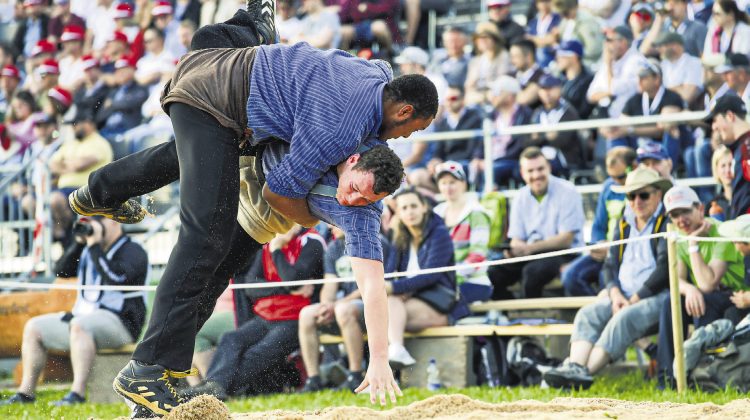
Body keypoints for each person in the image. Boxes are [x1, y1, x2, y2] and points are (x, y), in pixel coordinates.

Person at [69, 4, 437, 415]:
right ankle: (148, 369)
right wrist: (315, 219)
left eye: (364, 201)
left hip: (225, 79)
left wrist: (381, 357)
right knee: (206, 235)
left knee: (209, 269)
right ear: (352, 158)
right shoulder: (340, 132)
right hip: (221, 106)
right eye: (414, 129)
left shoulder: (379, 82)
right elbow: (280, 193)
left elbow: (372, 286)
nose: (351, 200)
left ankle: (100, 193)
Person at [543, 167, 672, 389]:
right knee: (588, 313)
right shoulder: (624, 221)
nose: (636, 201)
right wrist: (614, 293)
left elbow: (665, 269)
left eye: (643, 195)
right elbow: (609, 264)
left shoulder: (667, 221)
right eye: (631, 195)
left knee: (623, 318)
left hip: (659, 296)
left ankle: (579, 375)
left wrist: (634, 298)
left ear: (658, 194)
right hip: (622, 295)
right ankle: (575, 367)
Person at [0, 216, 148, 406]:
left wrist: (94, 246)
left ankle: (76, 394)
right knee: (34, 327)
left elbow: (116, 278)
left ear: (114, 222)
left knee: (79, 325)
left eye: (98, 220)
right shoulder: (88, 249)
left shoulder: (133, 250)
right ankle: (25, 394)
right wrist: (79, 244)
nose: (94, 226)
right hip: (84, 319)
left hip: (121, 323)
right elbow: (61, 272)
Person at [182, 226, 325, 399]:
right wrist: (286, 288)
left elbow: (293, 279)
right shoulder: (269, 244)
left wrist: (278, 250)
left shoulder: (311, 241)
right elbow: (252, 287)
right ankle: (214, 387)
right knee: (231, 339)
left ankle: (215, 389)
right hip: (266, 316)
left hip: (296, 318)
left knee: (258, 352)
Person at [654, 185, 747, 388]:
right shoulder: (677, 236)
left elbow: (708, 283)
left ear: (700, 208)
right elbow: (676, 280)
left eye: (685, 211)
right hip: (707, 296)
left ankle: (700, 373)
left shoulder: (720, 232)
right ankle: (667, 377)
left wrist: (693, 243)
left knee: (704, 301)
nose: (680, 220)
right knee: (671, 302)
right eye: (674, 215)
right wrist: (690, 289)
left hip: (736, 296)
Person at [384, 187, 468, 367]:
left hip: (438, 299)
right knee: (381, 313)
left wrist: (394, 288)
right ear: (398, 213)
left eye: (414, 206)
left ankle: (395, 354)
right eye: (404, 208)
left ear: (424, 207)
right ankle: (391, 359)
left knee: (385, 314)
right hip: (408, 299)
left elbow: (430, 276)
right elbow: (390, 272)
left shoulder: (439, 233)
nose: (410, 212)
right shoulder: (400, 236)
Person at [299, 225, 388, 392]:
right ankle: (314, 379)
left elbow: (374, 287)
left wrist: (337, 305)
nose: (329, 227)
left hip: (370, 305)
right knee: (307, 314)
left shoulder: (374, 243)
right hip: (343, 306)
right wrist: (326, 305)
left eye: (334, 222)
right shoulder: (334, 247)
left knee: (343, 310)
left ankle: (355, 375)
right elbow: (330, 284)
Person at [487, 147, 585, 299]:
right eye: (530, 171)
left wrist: (529, 248)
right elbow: (517, 237)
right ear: (522, 173)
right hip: (532, 252)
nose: (536, 175)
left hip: (565, 252)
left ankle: (534, 318)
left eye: (540, 169)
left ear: (549, 168)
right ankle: (511, 316)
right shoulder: (520, 197)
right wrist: (515, 250)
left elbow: (566, 239)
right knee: (494, 272)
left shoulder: (568, 191)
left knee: (533, 272)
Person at [561, 146, 633, 297]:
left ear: (633, 167)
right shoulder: (609, 186)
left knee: (605, 279)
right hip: (605, 250)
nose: (616, 181)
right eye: (611, 176)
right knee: (570, 276)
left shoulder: (641, 191)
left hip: (626, 253)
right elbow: (598, 226)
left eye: (620, 177)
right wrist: (598, 243)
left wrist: (612, 249)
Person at [433, 162, 493, 302]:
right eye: (443, 183)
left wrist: (447, 277)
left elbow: (477, 256)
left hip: (475, 283)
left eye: (452, 182)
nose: (448, 187)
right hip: (444, 282)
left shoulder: (477, 213)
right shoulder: (436, 214)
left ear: (463, 184)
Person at [470, 76, 533, 190]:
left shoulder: (525, 115)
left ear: (510, 96)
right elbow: (480, 142)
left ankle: (488, 203)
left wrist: (489, 162)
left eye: (496, 92)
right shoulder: (491, 115)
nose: (492, 96)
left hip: (510, 161)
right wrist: (477, 158)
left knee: (492, 170)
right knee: (466, 168)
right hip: (490, 161)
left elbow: (521, 146)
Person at [705, 94, 750, 218]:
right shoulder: (742, 147)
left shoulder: (747, 147)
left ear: (730, 116)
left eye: (715, 120)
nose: (713, 127)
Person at [528, 74, 582, 173]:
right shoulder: (537, 113)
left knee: (542, 168)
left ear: (559, 89)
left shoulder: (568, 111)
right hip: (541, 157)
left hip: (564, 158)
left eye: (550, 88)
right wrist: (547, 136)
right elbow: (529, 140)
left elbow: (562, 140)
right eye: (543, 89)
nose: (546, 93)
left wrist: (540, 136)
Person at [464, 22, 511, 106]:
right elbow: (469, 86)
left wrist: (485, 94)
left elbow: (502, 82)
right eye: (478, 38)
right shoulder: (476, 60)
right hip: (478, 97)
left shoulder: (504, 56)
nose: (481, 40)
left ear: (494, 39)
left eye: (485, 37)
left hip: (496, 97)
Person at [655, 32, 704, 106]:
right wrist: (679, 88)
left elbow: (687, 96)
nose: (658, 49)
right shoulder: (663, 65)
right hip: (664, 107)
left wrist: (666, 91)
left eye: (662, 46)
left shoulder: (693, 63)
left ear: (675, 46)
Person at [552, 0, 602, 67]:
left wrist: (575, 56)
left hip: (585, 64)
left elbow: (594, 48)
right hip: (565, 59)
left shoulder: (586, 22)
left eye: (565, 13)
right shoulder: (566, 21)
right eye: (561, 13)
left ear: (574, 7)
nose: (563, 16)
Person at [555, 40, 594, 120]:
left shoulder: (588, 80)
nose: (557, 59)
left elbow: (584, 110)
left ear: (574, 57)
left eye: (562, 55)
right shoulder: (558, 79)